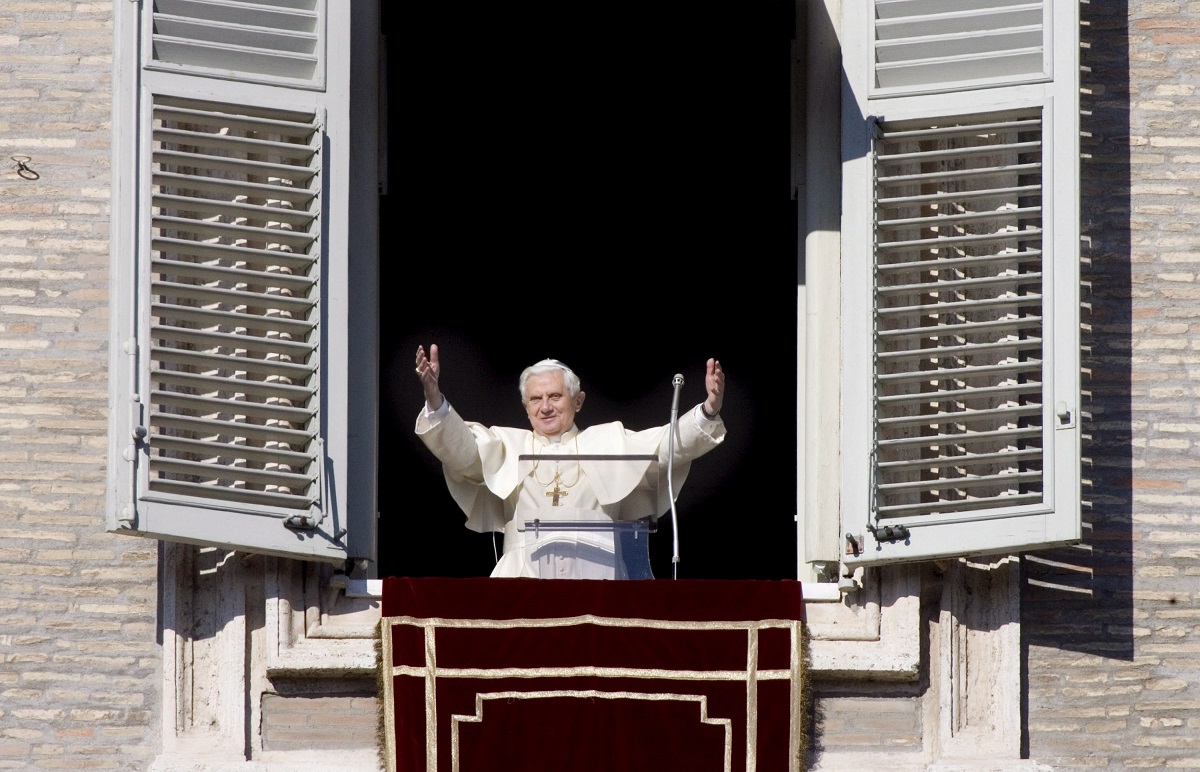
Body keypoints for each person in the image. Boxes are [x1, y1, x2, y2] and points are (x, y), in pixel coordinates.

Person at [413, 344, 726, 578]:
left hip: (599, 578)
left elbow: (667, 448)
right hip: (522, 584)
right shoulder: (506, 444)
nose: (545, 407)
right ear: (525, 406)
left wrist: (707, 411)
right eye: (536, 399)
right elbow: (463, 452)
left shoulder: (608, 441)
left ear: (578, 401)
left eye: (555, 397)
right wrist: (435, 402)